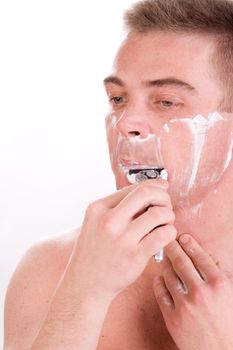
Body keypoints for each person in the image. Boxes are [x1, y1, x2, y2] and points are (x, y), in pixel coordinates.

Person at [4, 0, 233, 349]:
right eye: (118, 99)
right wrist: (83, 297)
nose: (125, 125)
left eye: (166, 101)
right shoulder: (53, 271)